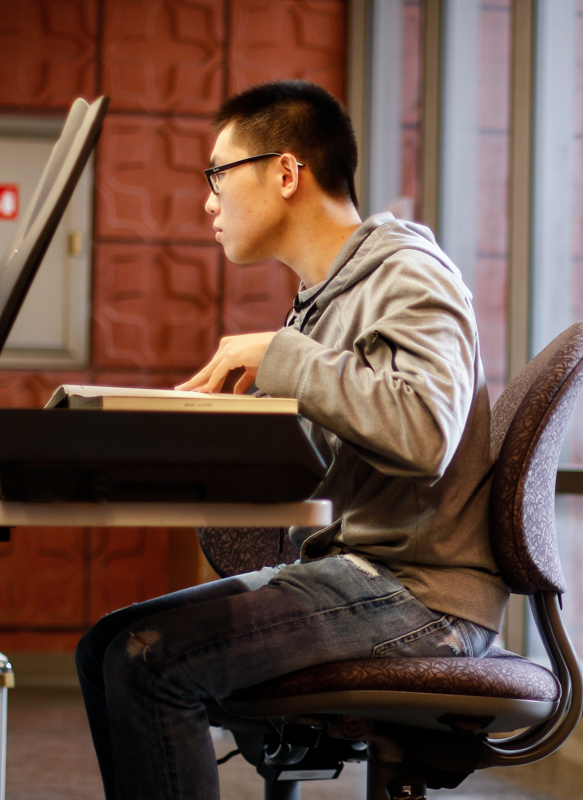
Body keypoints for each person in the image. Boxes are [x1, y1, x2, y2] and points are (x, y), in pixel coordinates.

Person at [75, 80, 508, 800]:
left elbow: (427, 429)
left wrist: (281, 356)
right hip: (359, 575)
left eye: (218, 174)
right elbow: (330, 450)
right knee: (102, 649)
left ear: (285, 172)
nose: (208, 200)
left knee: (148, 661)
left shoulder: (408, 271)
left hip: (419, 600)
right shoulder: (326, 299)